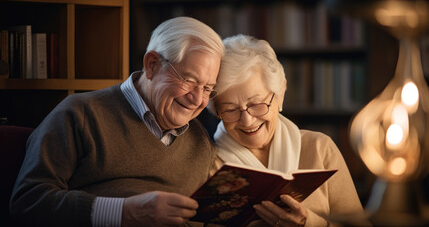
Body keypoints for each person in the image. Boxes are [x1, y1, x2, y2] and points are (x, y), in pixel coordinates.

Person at [9, 16, 224, 227]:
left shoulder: (201, 141)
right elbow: (28, 202)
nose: (197, 100)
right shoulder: (80, 114)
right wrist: (123, 213)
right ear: (152, 65)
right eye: (189, 80)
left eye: (207, 88)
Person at [207, 34, 366, 226]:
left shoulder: (319, 149)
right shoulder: (208, 165)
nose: (247, 120)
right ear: (216, 110)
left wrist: (309, 223)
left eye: (257, 104)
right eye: (231, 109)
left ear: (280, 94)